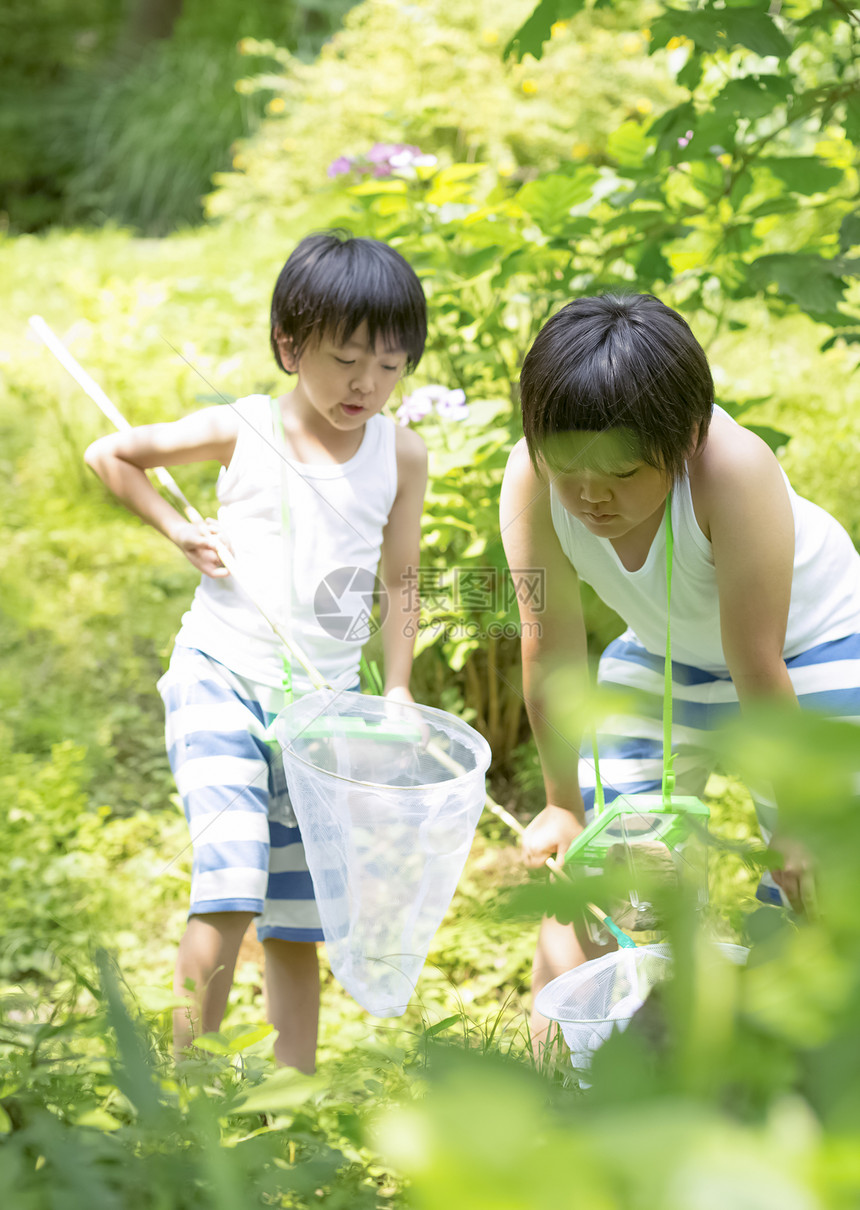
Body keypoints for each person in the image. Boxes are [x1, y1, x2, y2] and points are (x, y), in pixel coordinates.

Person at [84, 231, 429, 1070]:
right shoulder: (244, 426)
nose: (366, 384)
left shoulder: (401, 454)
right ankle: (178, 1092)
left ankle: (293, 1101)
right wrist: (177, 527)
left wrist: (398, 691)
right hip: (220, 678)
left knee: (298, 920)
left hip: (321, 710)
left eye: (389, 365)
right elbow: (110, 454)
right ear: (289, 345)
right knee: (232, 882)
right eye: (346, 358)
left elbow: (402, 584)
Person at [500, 293, 860, 1046]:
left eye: (622, 473)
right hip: (666, 656)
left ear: (687, 438)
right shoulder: (533, 481)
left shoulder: (732, 470)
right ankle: (560, 1081)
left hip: (811, 653)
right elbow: (551, 645)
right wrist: (564, 805)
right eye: (569, 468)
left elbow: (756, 659)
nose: (591, 495)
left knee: (823, 872)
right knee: (603, 866)